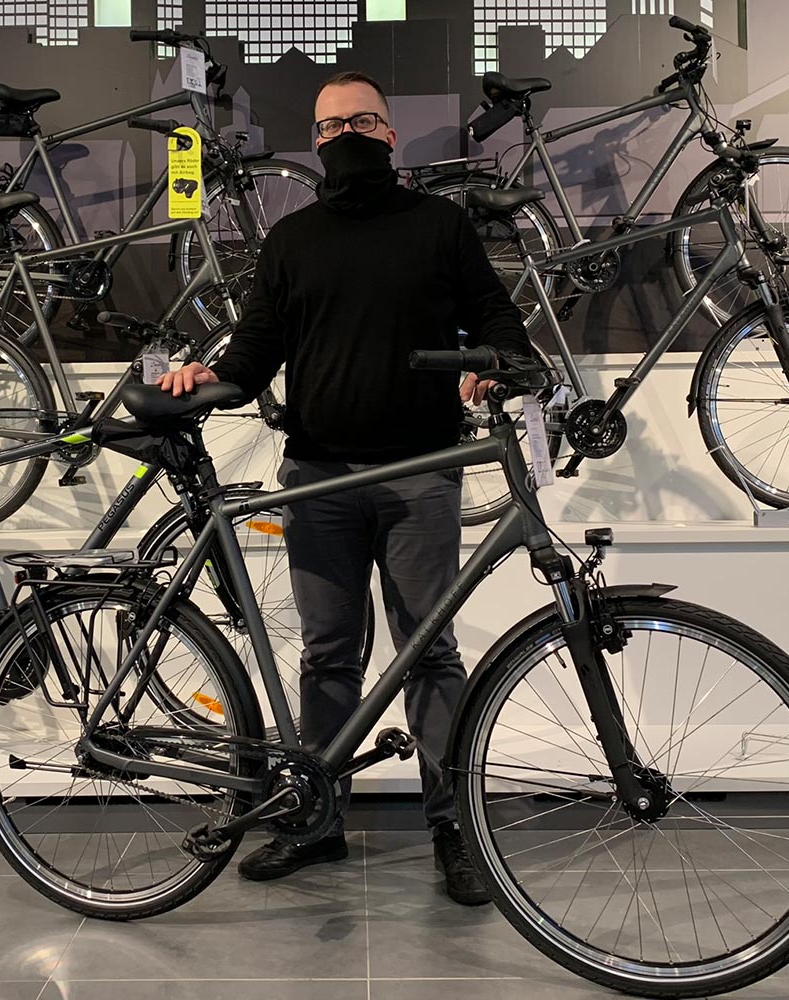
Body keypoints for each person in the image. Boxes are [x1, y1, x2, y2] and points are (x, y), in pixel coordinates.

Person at [158, 70, 530, 906]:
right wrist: (204, 374)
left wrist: (499, 367)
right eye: (330, 129)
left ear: (391, 135)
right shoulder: (292, 241)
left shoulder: (441, 226)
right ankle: (316, 819)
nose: (346, 137)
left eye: (362, 121)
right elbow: (255, 348)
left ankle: (455, 825)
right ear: (316, 145)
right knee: (329, 656)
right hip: (317, 479)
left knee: (431, 654)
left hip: (420, 476)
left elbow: (494, 313)